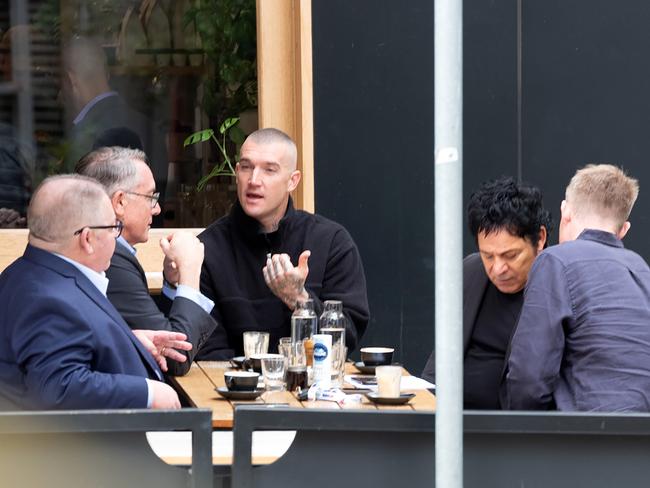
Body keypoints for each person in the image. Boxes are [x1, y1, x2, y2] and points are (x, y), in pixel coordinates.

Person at [0, 175, 188, 410]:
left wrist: (127, 342)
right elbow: (59, 386)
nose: (116, 236)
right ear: (87, 238)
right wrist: (149, 393)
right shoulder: (49, 300)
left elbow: (66, 345)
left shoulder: (25, 273)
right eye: (114, 227)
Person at [197, 128, 370, 359]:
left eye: (269, 170)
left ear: (292, 181)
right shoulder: (208, 249)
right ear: (237, 172)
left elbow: (346, 339)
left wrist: (299, 299)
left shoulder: (331, 242)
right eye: (246, 167)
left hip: (314, 388)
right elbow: (209, 354)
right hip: (236, 390)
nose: (254, 180)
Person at [503, 164, 650, 411]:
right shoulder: (643, 271)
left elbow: (529, 379)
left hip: (584, 439)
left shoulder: (556, 260)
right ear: (623, 230)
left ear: (565, 212)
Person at [76, 147, 217, 375]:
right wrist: (190, 272)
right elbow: (176, 358)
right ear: (120, 202)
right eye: (151, 197)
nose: (158, 208)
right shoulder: (109, 259)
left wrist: (173, 284)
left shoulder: (113, 254)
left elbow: (161, 331)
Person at [421, 177, 551, 409]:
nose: (498, 268)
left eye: (510, 255)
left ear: (539, 239)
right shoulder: (471, 271)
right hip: (450, 423)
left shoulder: (555, 289)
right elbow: (437, 365)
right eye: (488, 256)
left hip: (511, 432)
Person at [60, 37, 167, 201]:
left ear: (70, 79)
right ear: (107, 73)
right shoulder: (149, 127)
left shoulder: (84, 135)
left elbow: (74, 204)